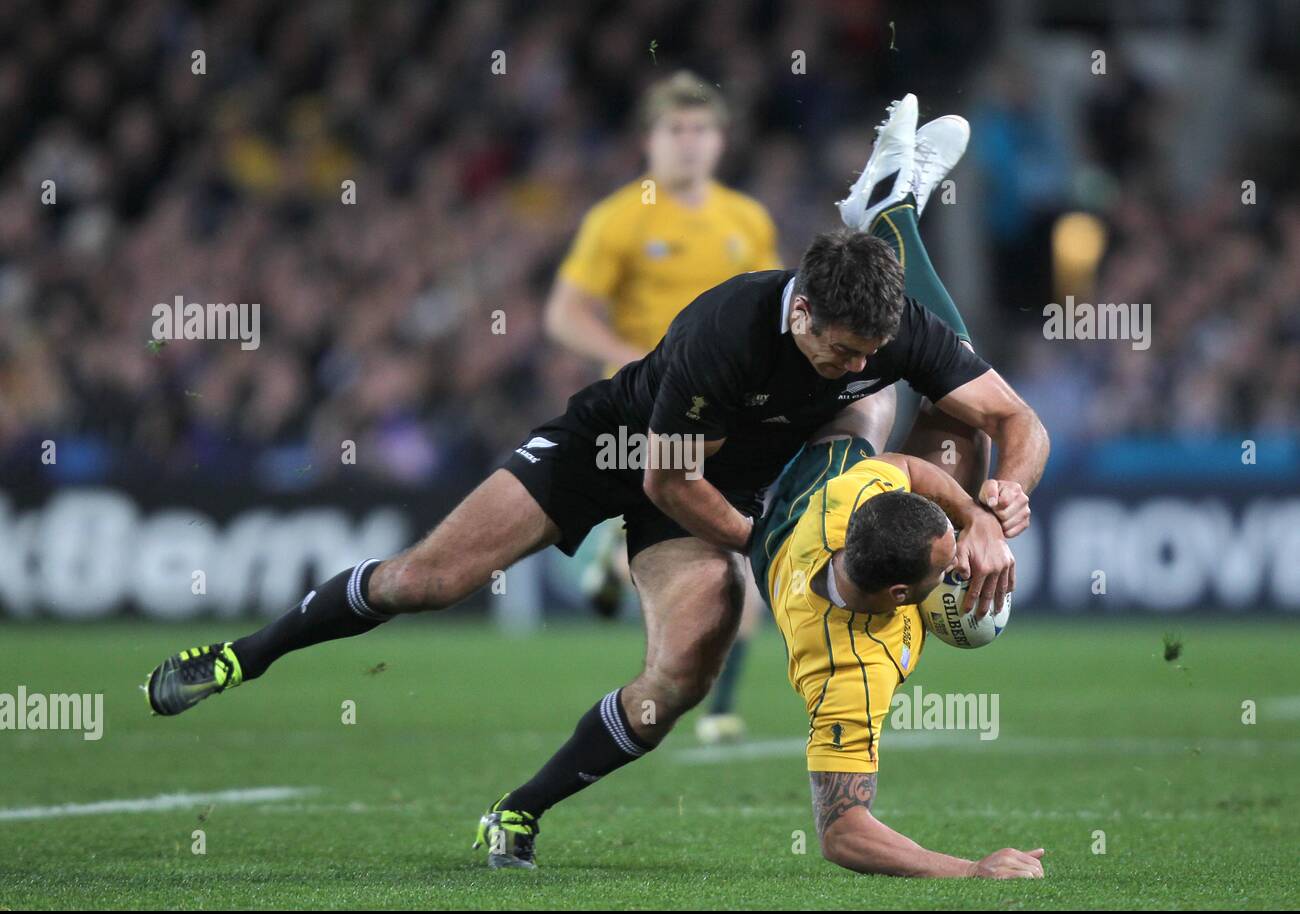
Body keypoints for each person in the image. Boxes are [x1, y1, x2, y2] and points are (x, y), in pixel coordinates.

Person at [142, 96, 1048, 874]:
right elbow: (665, 479)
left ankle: (518, 810)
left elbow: (1019, 424)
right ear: (801, 310)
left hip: (733, 479)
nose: (859, 364)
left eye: (869, 354)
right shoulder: (726, 334)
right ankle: (242, 656)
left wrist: (997, 510)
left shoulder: (890, 331)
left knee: (682, 673)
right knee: (428, 581)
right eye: (843, 351)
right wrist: (766, 544)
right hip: (625, 451)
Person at [545, 70, 779, 743]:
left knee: (732, 542)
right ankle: (721, 708)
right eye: (675, 130)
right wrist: (623, 354)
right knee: (725, 539)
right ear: (649, 139)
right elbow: (565, 314)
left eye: (702, 129)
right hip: (650, 407)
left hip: (732, 409)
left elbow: (770, 307)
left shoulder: (745, 219)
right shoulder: (619, 217)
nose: (689, 143)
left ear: (721, 140)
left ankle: (616, 564)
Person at [748, 411, 1043, 879]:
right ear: (901, 598)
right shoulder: (847, 675)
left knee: (958, 408)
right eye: (949, 569)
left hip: (803, 508)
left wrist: (975, 518)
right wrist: (968, 870)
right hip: (781, 552)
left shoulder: (849, 500)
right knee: (901, 417)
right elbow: (843, 832)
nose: (960, 567)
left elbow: (903, 467)